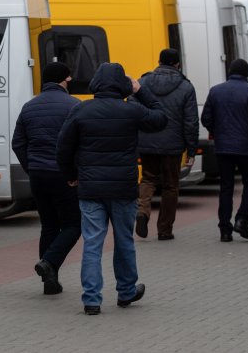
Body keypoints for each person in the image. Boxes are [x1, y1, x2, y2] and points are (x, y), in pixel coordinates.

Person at [57, 62, 167, 315]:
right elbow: (161, 118)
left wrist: (71, 175)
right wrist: (140, 90)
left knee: (92, 243)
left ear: (96, 83)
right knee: (124, 240)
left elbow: (63, 147)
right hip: (123, 189)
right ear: (123, 85)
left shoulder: (81, 110)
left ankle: (92, 299)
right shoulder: (131, 111)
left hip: (90, 189)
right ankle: (126, 291)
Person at [12, 62, 82, 295]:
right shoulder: (74, 105)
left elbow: (18, 143)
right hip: (64, 176)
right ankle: (49, 263)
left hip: (38, 175)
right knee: (73, 224)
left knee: (49, 225)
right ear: (65, 80)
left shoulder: (29, 106)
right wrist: (75, 172)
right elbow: (80, 143)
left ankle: (49, 282)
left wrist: (31, 167)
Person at [132, 48, 198, 241]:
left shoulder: (143, 82)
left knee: (148, 179)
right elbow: (191, 121)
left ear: (159, 62)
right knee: (171, 186)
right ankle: (164, 230)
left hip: (147, 140)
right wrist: (192, 149)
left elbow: (132, 107)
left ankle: (142, 212)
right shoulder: (186, 87)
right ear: (177, 64)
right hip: (173, 144)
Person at [201, 59, 248, 242]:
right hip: (247, 147)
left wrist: (216, 132)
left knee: (226, 187)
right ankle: (242, 219)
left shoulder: (216, 91)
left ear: (229, 71)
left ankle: (224, 229)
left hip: (223, 147)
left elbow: (206, 117)